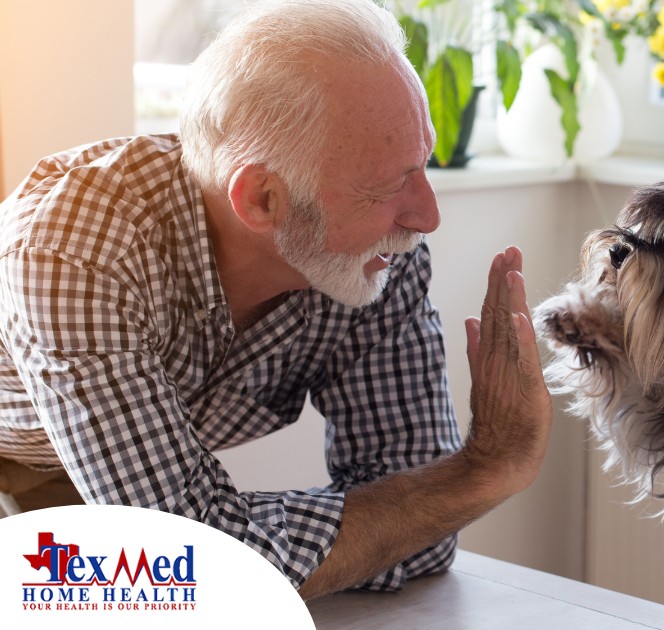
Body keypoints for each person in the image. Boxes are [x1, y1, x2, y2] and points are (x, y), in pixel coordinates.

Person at [0, 0, 553, 600]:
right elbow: (190, 569)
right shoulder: (75, 251)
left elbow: (426, 527)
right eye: (391, 184)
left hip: (119, 473)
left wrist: (450, 489)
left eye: (421, 166)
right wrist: (485, 468)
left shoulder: (377, 257)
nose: (427, 217)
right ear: (262, 199)